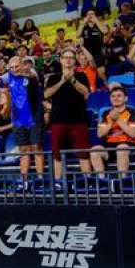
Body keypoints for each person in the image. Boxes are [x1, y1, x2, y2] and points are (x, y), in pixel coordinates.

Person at [43, 49, 92, 178]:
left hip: (79, 120)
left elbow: (86, 93)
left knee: (83, 153)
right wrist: (62, 81)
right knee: (57, 155)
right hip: (58, 121)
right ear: (61, 60)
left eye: (71, 57)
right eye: (65, 57)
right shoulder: (53, 77)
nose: (68, 59)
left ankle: (87, 181)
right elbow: (46, 94)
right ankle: (58, 182)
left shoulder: (81, 76)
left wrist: (73, 80)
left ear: (75, 60)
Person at [0, 55, 44, 181]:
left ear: (23, 65)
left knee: (36, 147)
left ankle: (40, 178)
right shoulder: (11, 80)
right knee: (23, 149)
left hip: (34, 115)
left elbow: (31, 77)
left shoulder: (31, 75)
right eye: (11, 67)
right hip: (18, 117)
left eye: (16, 66)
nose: (14, 69)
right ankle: (24, 180)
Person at [90, 86, 135, 174]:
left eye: (119, 96)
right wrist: (110, 122)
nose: (115, 98)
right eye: (113, 96)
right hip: (110, 146)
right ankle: (102, 181)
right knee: (94, 151)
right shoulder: (105, 113)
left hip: (130, 145)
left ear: (125, 98)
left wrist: (118, 119)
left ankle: (122, 181)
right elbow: (100, 134)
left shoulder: (133, 112)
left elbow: (133, 134)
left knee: (121, 148)